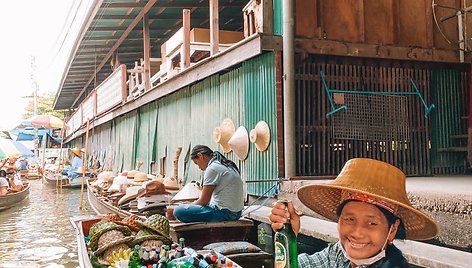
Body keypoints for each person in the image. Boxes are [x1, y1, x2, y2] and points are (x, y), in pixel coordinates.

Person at [269, 158, 439, 268]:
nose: (357, 233)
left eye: (371, 223)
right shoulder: (337, 256)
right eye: (349, 219)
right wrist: (288, 237)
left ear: (392, 230)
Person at [173, 145, 244, 223]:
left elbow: (204, 201)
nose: (199, 167)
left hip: (225, 213)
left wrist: (191, 205)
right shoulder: (224, 165)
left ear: (200, 156)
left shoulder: (212, 168)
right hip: (236, 213)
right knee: (188, 207)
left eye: (197, 163)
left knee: (178, 211)